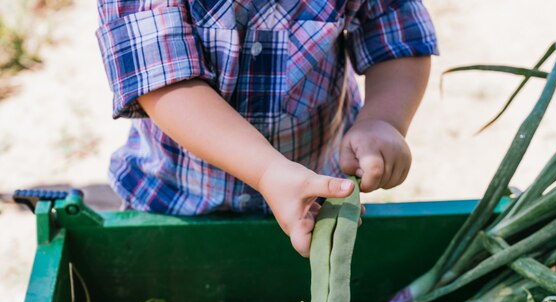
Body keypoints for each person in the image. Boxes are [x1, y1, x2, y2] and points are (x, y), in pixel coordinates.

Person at [95, 0, 438, 257]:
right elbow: (164, 82)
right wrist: (268, 171)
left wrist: (383, 119)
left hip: (314, 200)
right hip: (176, 200)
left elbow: (397, 36)